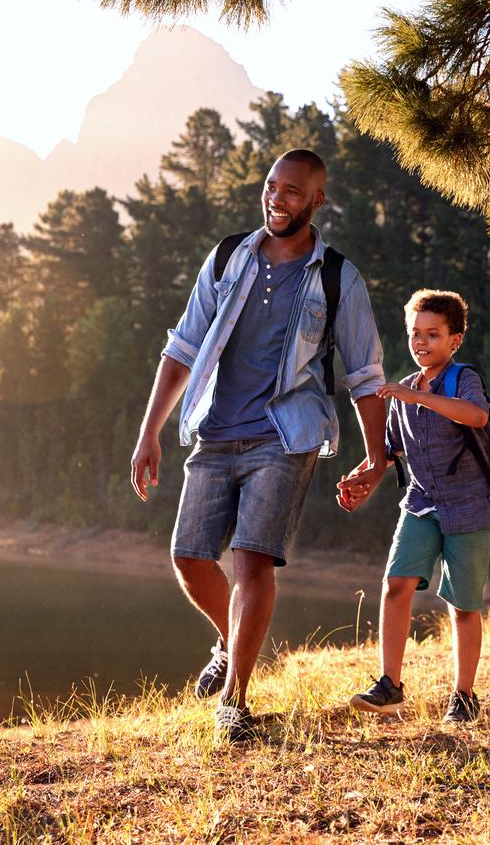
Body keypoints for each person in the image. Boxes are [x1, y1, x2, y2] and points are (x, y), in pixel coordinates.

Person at [129, 149, 388, 743]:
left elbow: (365, 374)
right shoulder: (227, 256)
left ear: (317, 200)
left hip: (286, 435)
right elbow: (182, 347)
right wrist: (149, 433)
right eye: (272, 186)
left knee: (252, 558)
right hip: (215, 429)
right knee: (190, 558)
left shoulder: (336, 277)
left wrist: (375, 458)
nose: (278, 198)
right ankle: (231, 640)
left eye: (293, 191)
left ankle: (234, 699)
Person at [341, 290, 490, 724]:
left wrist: (420, 399)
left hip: (469, 507)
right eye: (415, 333)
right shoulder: (404, 389)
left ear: (455, 340)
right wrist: (362, 479)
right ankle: (390, 685)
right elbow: (388, 451)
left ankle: (463, 696)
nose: (422, 342)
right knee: (395, 584)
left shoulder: (462, 378)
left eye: (433, 334)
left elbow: (476, 416)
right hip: (421, 503)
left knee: (462, 606)